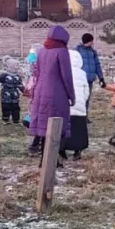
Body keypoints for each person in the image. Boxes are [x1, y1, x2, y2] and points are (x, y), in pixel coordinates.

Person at [29, 26, 75, 162]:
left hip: (40, 92)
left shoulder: (42, 51)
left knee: (44, 127)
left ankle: (44, 160)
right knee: (55, 127)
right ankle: (51, 161)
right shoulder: (62, 52)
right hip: (57, 93)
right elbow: (66, 77)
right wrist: (71, 96)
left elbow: (37, 73)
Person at [60, 49, 90, 161]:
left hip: (65, 105)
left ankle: (62, 150)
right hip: (80, 106)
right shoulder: (82, 73)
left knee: (64, 129)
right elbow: (86, 91)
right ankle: (78, 151)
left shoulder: (61, 71)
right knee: (79, 129)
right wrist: (83, 100)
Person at [75, 33, 105, 116]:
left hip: (90, 79)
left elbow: (97, 65)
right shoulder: (77, 51)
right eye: (91, 41)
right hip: (80, 79)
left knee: (87, 98)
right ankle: (79, 115)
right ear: (88, 41)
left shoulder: (93, 52)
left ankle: (85, 115)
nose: (93, 42)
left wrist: (101, 78)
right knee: (80, 98)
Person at [0, 57, 25, 124]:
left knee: (16, 107)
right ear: (11, 66)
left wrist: (24, 91)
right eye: (16, 65)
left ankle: (16, 119)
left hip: (15, 94)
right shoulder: (4, 75)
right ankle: (5, 119)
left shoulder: (17, 76)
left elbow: (20, 85)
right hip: (6, 94)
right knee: (6, 107)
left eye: (18, 65)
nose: (18, 67)